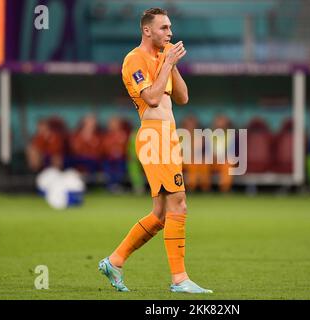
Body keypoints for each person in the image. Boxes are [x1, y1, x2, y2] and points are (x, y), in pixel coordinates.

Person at [98, 8, 212, 294]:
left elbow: (183, 98)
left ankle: (115, 260)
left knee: (160, 215)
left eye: (170, 27)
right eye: (164, 28)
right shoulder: (134, 59)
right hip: (154, 136)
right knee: (179, 203)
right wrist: (165, 64)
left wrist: (171, 63)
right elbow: (150, 98)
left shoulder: (163, 58)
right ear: (147, 30)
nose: (170, 33)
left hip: (169, 136)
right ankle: (179, 279)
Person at [68, 114, 102, 181]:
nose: (91, 124)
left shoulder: (98, 136)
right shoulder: (76, 135)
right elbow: (73, 150)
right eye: (89, 122)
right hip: (78, 159)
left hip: (92, 160)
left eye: (92, 122)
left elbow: (100, 152)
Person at [101, 117, 129, 192]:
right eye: (111, 124)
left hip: (121, 159)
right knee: (107, 166)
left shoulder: (123, 134)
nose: (113, 125)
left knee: (120, 166)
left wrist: (119, 151)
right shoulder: (106, 135)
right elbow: (104, 148)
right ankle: (111, 186)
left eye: (115, 123)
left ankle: (117, 185)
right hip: (109, 159)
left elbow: (125, 148)